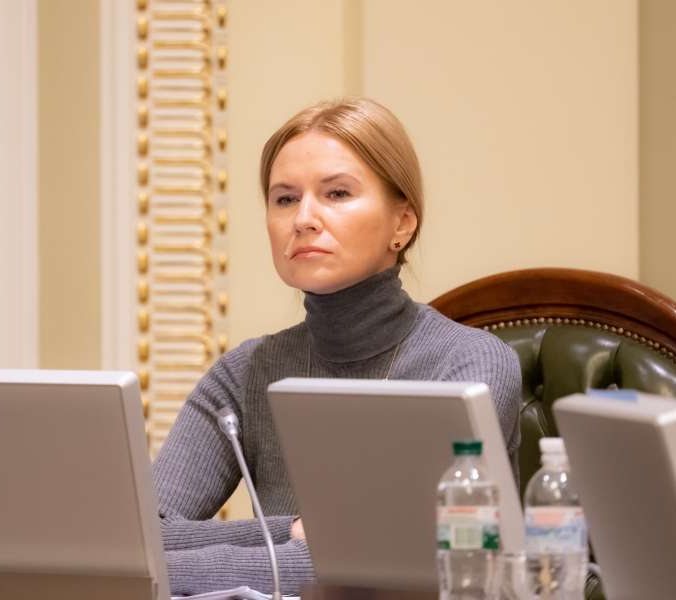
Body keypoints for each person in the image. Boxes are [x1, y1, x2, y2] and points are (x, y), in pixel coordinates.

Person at [152, 97, 522, 596]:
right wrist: (289, 532)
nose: (303, 218)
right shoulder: (245, 372)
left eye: (337, 193)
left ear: (402, 223)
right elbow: (139, 541)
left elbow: (395, 560)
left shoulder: (470, 366)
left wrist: (313, 546)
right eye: (285, 199)